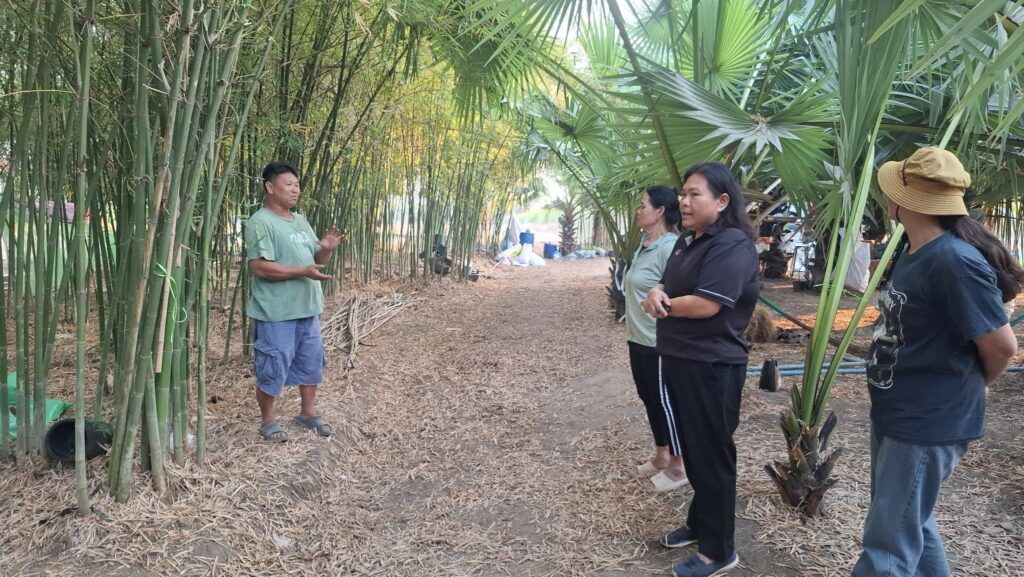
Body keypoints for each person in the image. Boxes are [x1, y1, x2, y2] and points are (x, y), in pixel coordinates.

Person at [851, 147, 1021, 577]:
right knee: (910, 523)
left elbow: (1002, 346)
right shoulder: (916, 251)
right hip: (899, 412)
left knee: (886, 551)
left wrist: (974, 384)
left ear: (904, 201)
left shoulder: (953, 261)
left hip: (927, 421)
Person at [642, 163, 760, 577]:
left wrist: (661, 305)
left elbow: (707, 304)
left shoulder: (732, 245)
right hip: (682, 358)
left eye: (695, 194)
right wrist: (656, 291)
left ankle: (718, 551)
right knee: (694, 450)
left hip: (712, 364)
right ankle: (700, 524)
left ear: (722, 201)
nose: (685, 202)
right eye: (684, 194)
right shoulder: (687, 241)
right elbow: (668, 285)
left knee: (712, 456)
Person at [245, 161, 341, 442]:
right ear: (269, 187)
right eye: (288, 184)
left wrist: (327, 250)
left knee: (311, 362)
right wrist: (302, 271)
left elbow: (315, 261)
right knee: (272, 365)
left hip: (307, 307)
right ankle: (268, 421)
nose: (295, 190)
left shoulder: (300, 220)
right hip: (276, 311)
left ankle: (307, 413)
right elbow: (260, 267)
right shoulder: (261, 222)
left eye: (297, 185)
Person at [623, 186, 686, 491]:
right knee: (649, 398)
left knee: (665, 402)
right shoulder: (646, 245)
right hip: (638, 337)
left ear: (660, 211)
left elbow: (675, 294)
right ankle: (661, 455)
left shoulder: (670, 247)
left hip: (658, 341)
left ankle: (679, 466)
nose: (638, 211)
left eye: (643, 205)